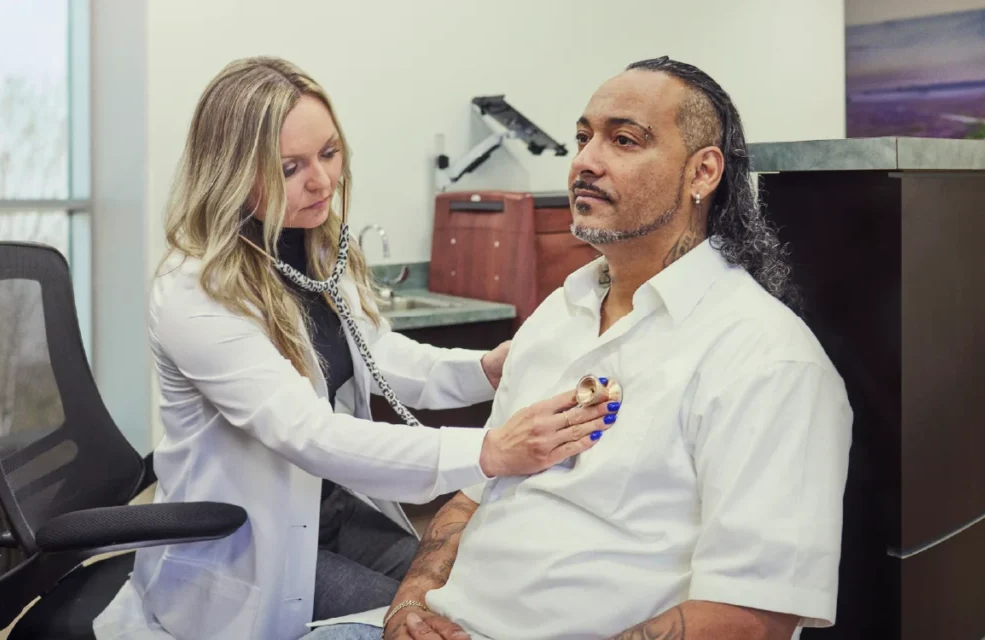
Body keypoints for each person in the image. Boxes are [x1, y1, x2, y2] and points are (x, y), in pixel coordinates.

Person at [305, 56, 853, 640]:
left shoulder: (768, 360)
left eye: (623, 140)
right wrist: (408, 605)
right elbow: (475, 495)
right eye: (583, 138)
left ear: (703, 173)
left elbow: (749, 617)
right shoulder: (558, 315)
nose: (586, 162)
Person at [92, 57, 618, 640]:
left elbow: (378, 356)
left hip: (334, 514)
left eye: (329, 153)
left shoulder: (313, 249)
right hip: (252, 551)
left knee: (478, 590)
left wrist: (485, 371)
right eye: (289, 167)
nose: (321, 180)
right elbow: (310, 434)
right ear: (232, 172)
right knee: (433, 624)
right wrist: (493, 451)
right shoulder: (196, 290)